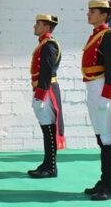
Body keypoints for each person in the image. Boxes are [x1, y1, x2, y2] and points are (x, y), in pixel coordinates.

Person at [82, 0, 111, 201]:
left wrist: (107, 95)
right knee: (101, 138)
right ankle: (104, 180)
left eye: (93, 11)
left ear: (105, 15)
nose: (88, 14)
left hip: (103, 87)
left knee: (109, 139)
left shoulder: (109, 36)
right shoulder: (96, 35)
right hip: (93, 87)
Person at [27, 14, 65, 179]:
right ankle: (47, 163)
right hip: (43, 89)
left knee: (49, 129)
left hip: (47, 90)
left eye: (38, 24)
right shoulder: (43, 44)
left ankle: (50, 167)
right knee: (46, 129)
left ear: (47, 27)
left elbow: (46, 72)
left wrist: (40, 95)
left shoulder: (48, 45)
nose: (34, 26)